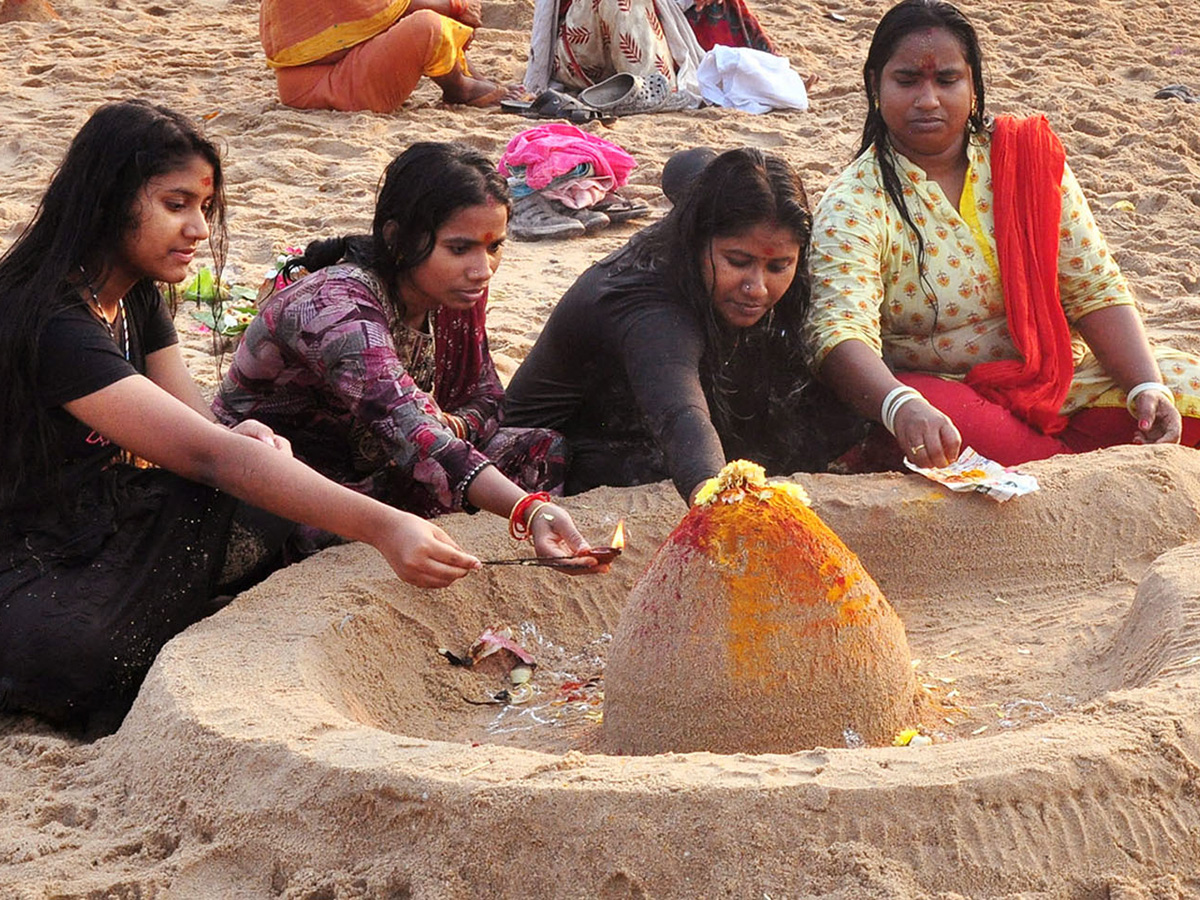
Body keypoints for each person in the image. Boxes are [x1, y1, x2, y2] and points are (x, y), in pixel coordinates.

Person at [0, 101, 556, 736]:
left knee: (266, 493)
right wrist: (386, 528)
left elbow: (205, 430)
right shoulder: (52, 319)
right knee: (84, 661)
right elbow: (209, 457)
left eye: (203, 209)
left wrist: (242, 435)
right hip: (28, 541)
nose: (199, 230)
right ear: (106, 202)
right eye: (175, 205)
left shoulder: (134, 295)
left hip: (99, 516)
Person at [804, 0, 1200, 472]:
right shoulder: (855, 201)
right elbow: (837, 332)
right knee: (939, 416)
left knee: (1178, 392)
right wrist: (899, 407)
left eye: (947, 80)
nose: (928, 100)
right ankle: (1070, 471)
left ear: (974, 86)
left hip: (1060, 381)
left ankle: (1055, 465)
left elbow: (1093, 287)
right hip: (948, 397)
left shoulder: (1026, 159)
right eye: (907, 81)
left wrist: (1144, 388)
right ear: (875, 85)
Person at [214, 143, 593, 554]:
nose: (483, 270)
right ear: (398, 238)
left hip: (378, 469)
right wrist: (527, 510)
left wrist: (453, 427)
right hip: (285, 482)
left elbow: (488, 400)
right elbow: (410, 427)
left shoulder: (453, 292)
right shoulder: (337, 306)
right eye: (460, 248)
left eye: (495, 247)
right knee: (322, 534)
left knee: (540, 448)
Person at [502, 147, 865, 503]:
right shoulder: (649, 302)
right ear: (696, 240)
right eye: (737, 261)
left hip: (661, 413)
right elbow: (679, 415)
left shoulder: (710, 219)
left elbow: (685, 166)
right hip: (560, 452)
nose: (757, 288)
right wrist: (715, 499)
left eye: (778, 267)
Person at [259, 0, 509, 112]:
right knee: (428, 25)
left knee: (432, 17)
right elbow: (383, 11)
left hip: (335, 66)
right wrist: (456, 8)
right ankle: (460, 87)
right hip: (320, 88)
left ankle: (467, 74)